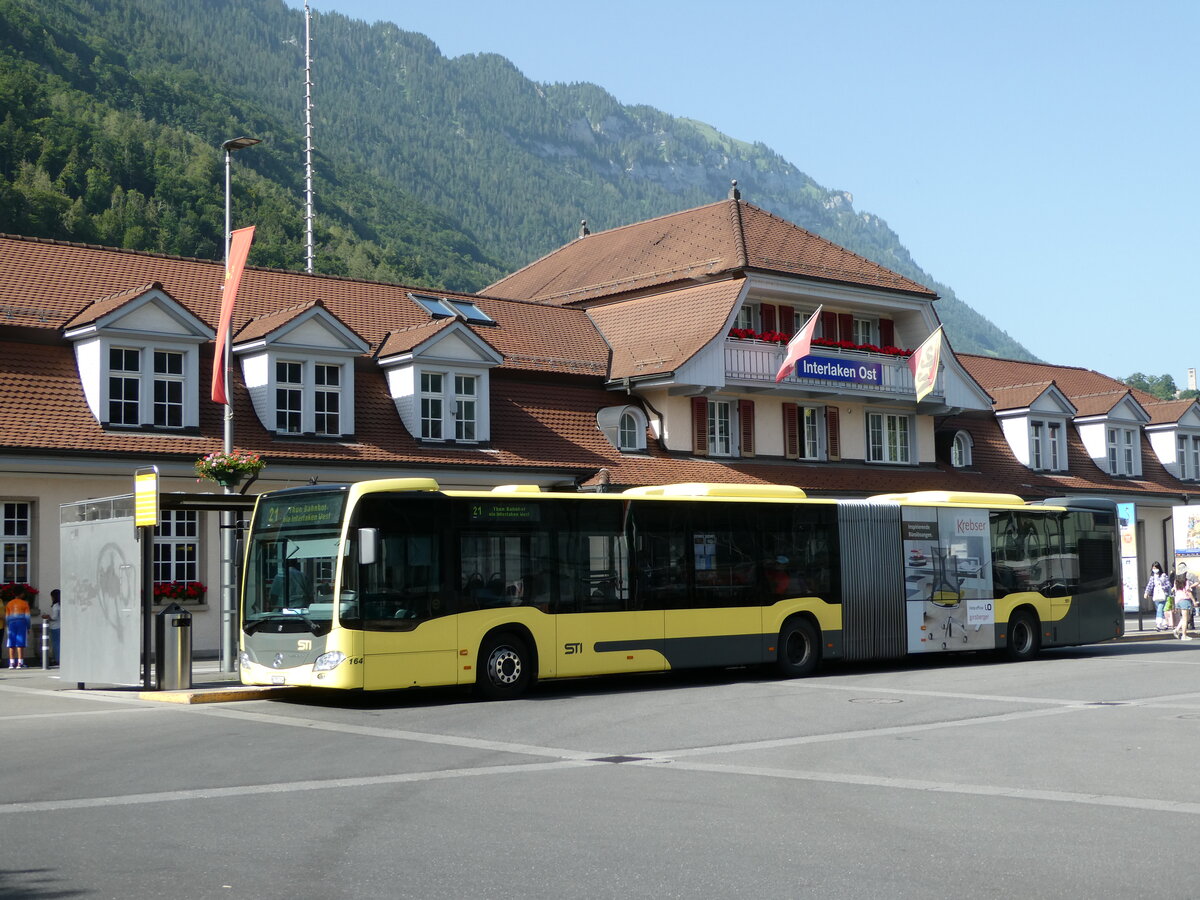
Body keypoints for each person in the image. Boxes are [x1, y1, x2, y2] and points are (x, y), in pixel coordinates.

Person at [5, 591, 32, 668]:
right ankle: (20, 663)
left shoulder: (9, 604)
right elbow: (27, 617)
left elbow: (7, 616)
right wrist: (28, 627)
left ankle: (11, 663)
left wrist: (8, 625)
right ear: (21, 593)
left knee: (11, 643)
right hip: (21, 623)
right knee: (20, 643)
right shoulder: (24, 603)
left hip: (11, 624)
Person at [1144, 562, 1172, 631]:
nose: (1154, 569)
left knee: (1160, 609)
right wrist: (1146, 593)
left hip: (1163, 594)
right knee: (1160, 610)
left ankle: (1158, 625)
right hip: (1156, 595)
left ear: (1159, 568)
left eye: (1156, 568)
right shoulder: (1152, 577)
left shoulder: (1163, 575)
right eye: (1153, 568)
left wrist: (1162, 587)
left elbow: (1169, 585)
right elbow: (1149, 585)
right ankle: (1165, 624)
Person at [41, 588, 60, 666]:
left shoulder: (56, 606)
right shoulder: (62, 604)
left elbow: (54, 617)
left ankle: (57, 659)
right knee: (58, 643)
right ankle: (58, 658)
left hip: (55, 627)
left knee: (56, 644)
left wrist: (47, 617)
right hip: (61, 626)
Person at [1173, 574, 1194, 640]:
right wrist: (1193, 600)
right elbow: (1188, 591)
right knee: (1185, 618)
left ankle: (1177, 629)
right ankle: (1184, 635)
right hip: (1185, 599)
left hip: (1178, 600)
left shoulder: (1176, 581)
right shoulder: (1185, 581)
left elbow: (1174, 590)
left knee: (1185, 617)